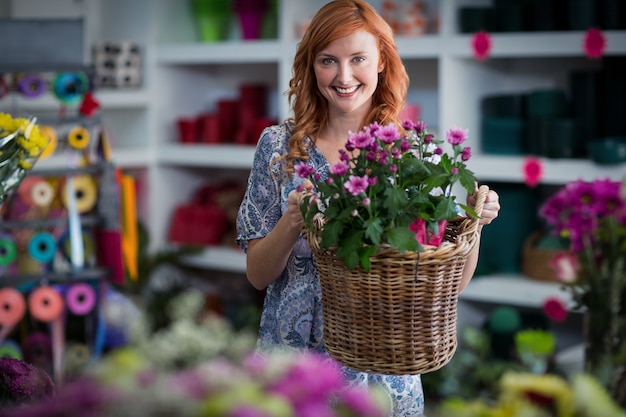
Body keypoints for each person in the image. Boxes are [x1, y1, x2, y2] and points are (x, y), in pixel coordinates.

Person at [236, 1, 501, 415]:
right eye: (328, 61)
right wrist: (292, 222)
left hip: (384, 379)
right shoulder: (277, 148)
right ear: (311, 66)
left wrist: (474, 223)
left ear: (381, 62)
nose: (344, 77)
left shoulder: (410, 153)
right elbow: (257, 275)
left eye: (358, 58)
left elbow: (447, 285)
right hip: (294, 371)